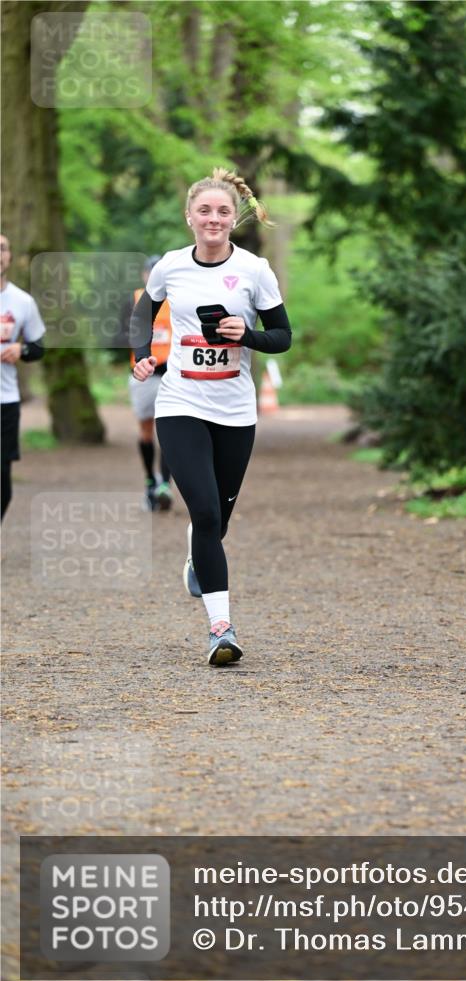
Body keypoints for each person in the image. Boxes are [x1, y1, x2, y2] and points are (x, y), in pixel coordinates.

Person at [130, 168, 292, 666]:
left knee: (216, 520)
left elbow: (282, 337)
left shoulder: (255, 270)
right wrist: (142, 355)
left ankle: (197, 552)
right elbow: (143, 314)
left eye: (223, 211)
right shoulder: (171, 266)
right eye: (205, 210)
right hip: (180, 402)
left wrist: (246, 334)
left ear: (233, 219)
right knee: (203, 512)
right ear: (190, 217)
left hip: (236, 410)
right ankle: (222, 630)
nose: (214, 218)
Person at [120, 255, 174, 511]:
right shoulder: (134, 300)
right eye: (150, 272)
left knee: (170, 430)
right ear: (144, 275)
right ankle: (150, 480)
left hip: (171, 375)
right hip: (143, 375)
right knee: (146, 431)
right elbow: (119, 334)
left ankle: (165, 484)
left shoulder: (177, 299)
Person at [0, 233, 46, 521]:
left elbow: (38, 347)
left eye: (2, 248)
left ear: (9, 256)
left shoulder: (22, 301)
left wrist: (21, 349)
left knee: (2, 483)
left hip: (5, 400)